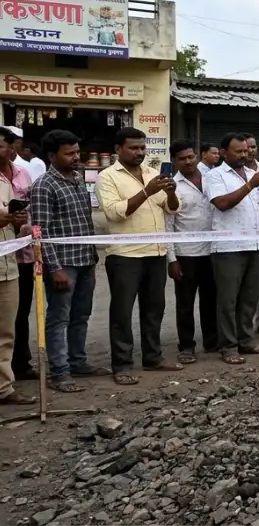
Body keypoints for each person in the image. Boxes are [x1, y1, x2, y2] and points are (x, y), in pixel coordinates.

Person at [96, 127, 183, 384]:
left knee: (154, 309)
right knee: (122, 313)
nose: (139, 152)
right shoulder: (107, 177)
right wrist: (147, 191)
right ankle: (122, 365)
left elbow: (172, 209)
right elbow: (115, 213)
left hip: (156, 251)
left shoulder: (152, 173)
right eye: (133, 148)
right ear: (118, 149)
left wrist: (170, 192)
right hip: (125, 255)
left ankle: (153, 357)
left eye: (142, 148)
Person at [30, 130, 104, 392]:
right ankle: (59, 372)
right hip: (63, 263)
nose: (76, 157)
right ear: (52, 156)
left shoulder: (78, 178)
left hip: (85, 258)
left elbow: (84, 219)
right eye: (69, 153)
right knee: (58, 318)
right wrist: (54, 268)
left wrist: (92, 252)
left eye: (77, 152)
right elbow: (41, 231)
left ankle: (77, 361)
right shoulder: (44, 185)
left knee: (81, 314)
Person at [205, 132, 259, 365]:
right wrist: (250, 185)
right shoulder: (214, 175)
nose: (244, 155)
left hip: (255, 244)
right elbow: (222, 204)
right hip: (228, 247)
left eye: (246, 150)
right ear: (224, 153)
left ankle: (246, 340)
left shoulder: (254, 174)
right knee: (228, 301)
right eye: (239, 151)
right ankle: (228, 346)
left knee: (249, 298)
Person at [166, 140, 217, 363]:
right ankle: (187, 346)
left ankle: (212, 342)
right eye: (182, 159)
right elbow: (168, 224)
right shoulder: (172, 186)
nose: (188, 162)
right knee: (185, 304)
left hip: (212, 251)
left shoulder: (212, 178)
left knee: (211, 300)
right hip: (185, 254)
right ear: (174, 161)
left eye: (190, 157)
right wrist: (171, 259)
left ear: (197, 156)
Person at [0, 129, 35, 381]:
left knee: (14, 319)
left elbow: (23, 215)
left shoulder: (20, 174)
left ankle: (14, 374)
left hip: (16, 256)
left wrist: (19, 221)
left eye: (3, 146)